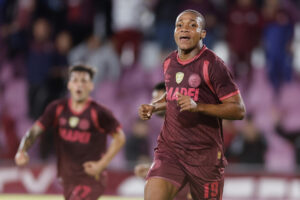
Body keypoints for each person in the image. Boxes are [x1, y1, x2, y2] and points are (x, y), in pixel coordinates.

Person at [139, 9, 246, 200]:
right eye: (179, 25)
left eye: (192, 25)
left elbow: (238, 110)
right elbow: (173, 95)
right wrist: (154, 106)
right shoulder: (169, 62)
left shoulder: (213, 65)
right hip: (170, 151)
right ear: (174, 32)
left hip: (204, 157)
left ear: (202, 33)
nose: (184, 29)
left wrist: (199, 107)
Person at [15, 65, 126, 200]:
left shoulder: (99, 112)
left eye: (84, 81)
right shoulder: (57, 108)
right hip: (68, 179)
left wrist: (101, 165)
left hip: (91, 177)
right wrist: (22, 150)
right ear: (69, 85)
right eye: (75, 80)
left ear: (91, 86)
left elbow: (120, 137)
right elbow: (34, 131)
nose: (79, 85)